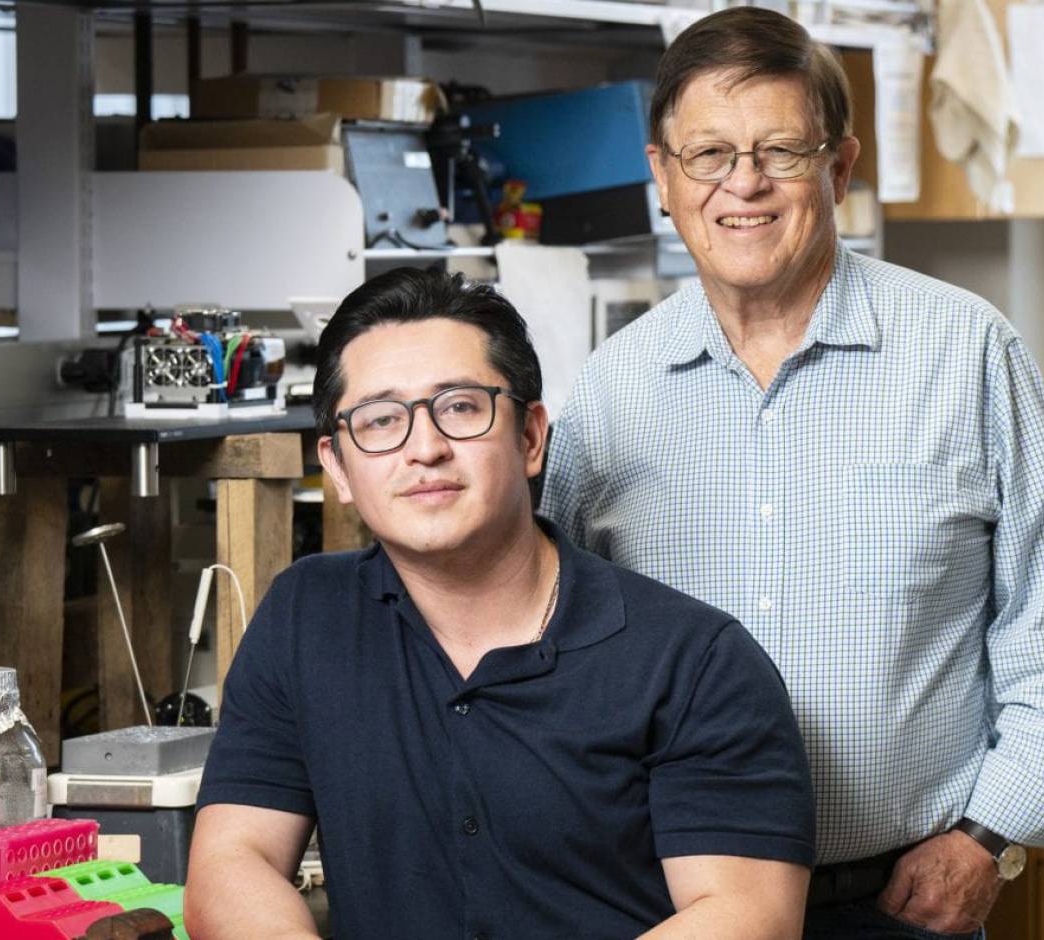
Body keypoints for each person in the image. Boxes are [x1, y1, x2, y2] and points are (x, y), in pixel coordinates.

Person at [540, 8, 1044, 938]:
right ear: (663, 176)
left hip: (898, 905)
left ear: (842, 167)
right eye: (709, 155)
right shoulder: (612, 391)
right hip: (676, 907)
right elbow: (558, 642)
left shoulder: (964, 351)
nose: (744, 183)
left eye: (781, 150)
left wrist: (987, 835)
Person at [187, 268, 815, 939]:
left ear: (530, 438)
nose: (423, 449)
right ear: (338, 466)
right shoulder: (306, 616)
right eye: (379, 421)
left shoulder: (695, 662)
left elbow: (748, 914)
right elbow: (233, 861)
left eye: (459, 407)